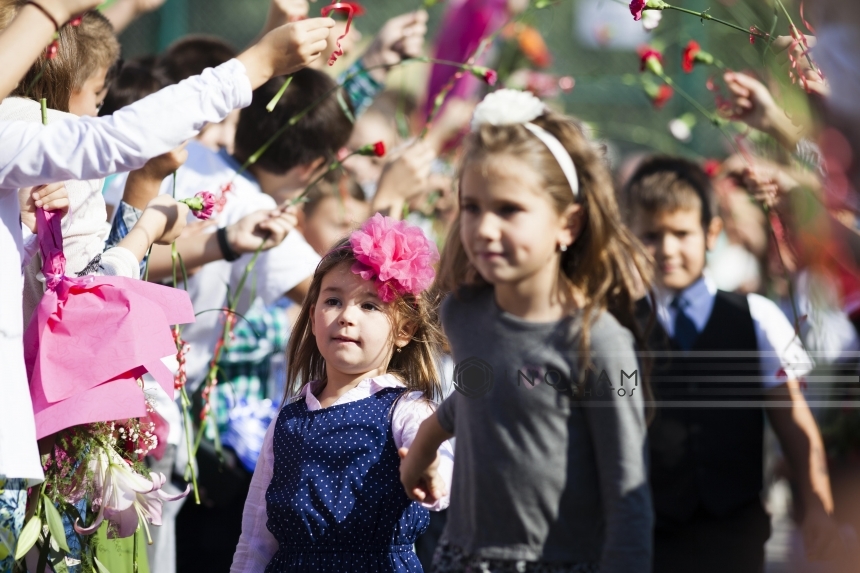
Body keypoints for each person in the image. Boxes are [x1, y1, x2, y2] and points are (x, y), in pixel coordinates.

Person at [0, 16, 335, 568]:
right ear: (68, 86)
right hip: (45, 432)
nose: (99, 113)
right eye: (101, 97)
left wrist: (214, 240)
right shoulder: (42, 147)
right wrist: (148, 213)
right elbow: (89, 298)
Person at [400, 89, 654, 572]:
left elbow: (628, 498)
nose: (484, 228)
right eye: (471, 207)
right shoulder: (465, 314)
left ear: (569, 224)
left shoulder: (598, 342)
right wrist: (427, 444)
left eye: (509, 209)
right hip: (461, 558)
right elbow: (487, 388)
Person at [623, 156, 841, 572]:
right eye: (651, 235)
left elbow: (793, 421)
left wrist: (817, 505)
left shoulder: (755, 318)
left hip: (735, 535)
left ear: (711, 232)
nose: (667, 249)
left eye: (680, 233)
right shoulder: (618, 326)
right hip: (648, 537)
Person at [231, 214, 453, 572]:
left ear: (405, 330)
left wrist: (432, 474)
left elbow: (437, 455)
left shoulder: (406, 409)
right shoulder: (288, 418)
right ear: (314, 313)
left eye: (369, 306)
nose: (347, 316)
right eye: (333, 301)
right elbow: (256, 536)